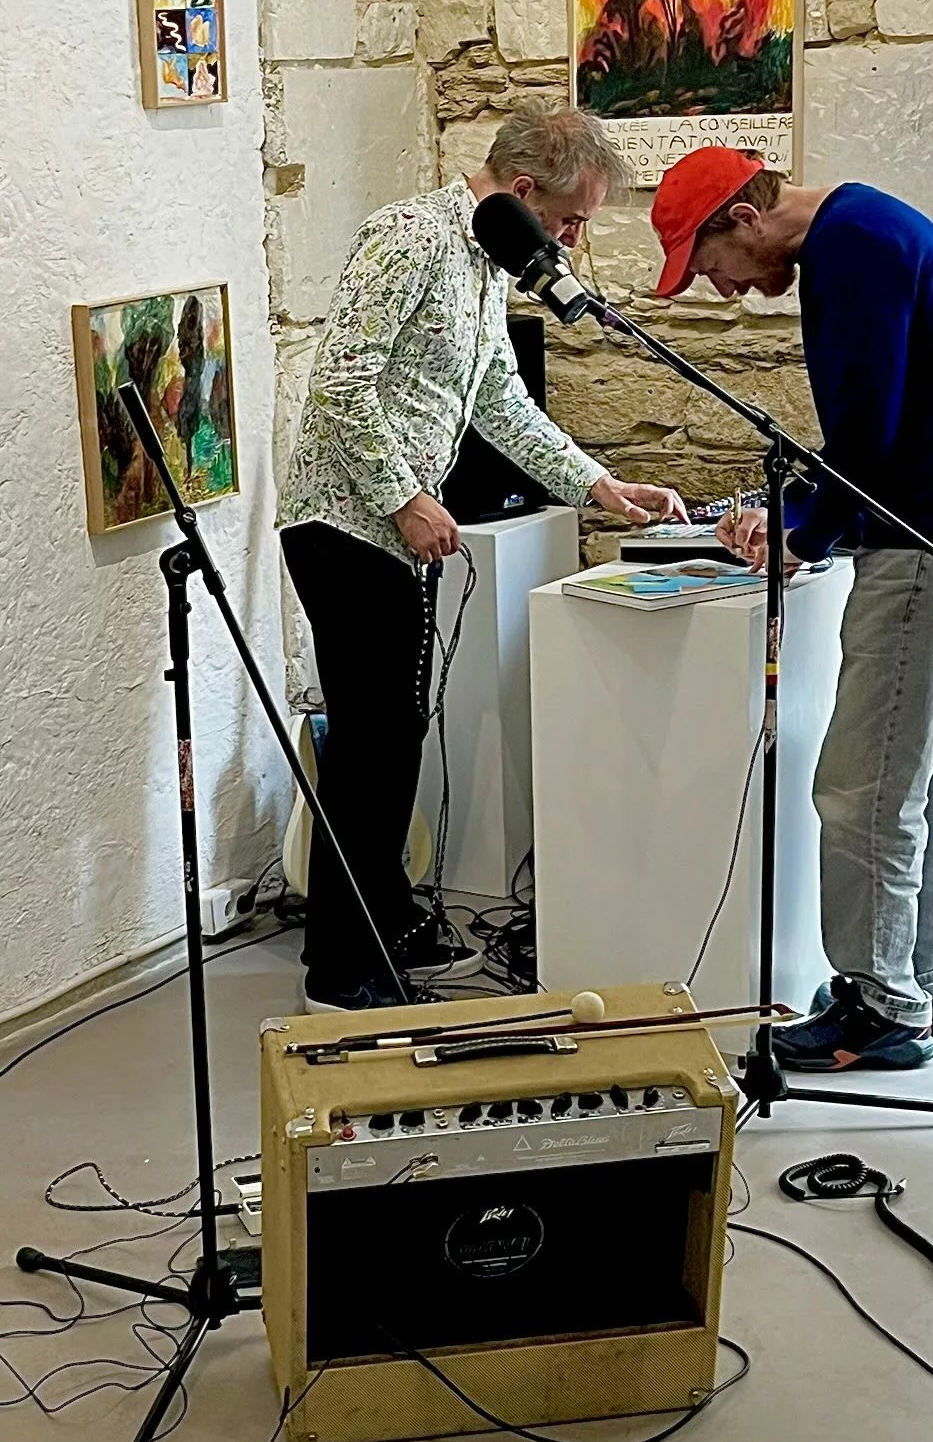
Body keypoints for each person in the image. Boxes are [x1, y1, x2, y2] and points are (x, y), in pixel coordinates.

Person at [279, 107, 687, 1012]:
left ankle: (383, 916)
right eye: (573, 221)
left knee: (399, 737)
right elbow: (340, 382)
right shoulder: (411, 239)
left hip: (391, 526)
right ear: (526, 192)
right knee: (374, 747)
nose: (575, 242)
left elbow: (502, 402)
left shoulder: (483, 265)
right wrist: (404, 497)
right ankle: (340, 974)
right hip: (343, 523)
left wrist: (598, 487)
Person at [651, 147, 933, 1070]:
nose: (726, 293)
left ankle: (880, 1006)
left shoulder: (851, 248)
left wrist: (801, 534)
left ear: (742, 219)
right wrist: (796, 514)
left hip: (931, 544)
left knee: (865, 788)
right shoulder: (863, 228)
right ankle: (928, 981)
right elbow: (875, 429)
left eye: (711, 269)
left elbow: (870, 433)